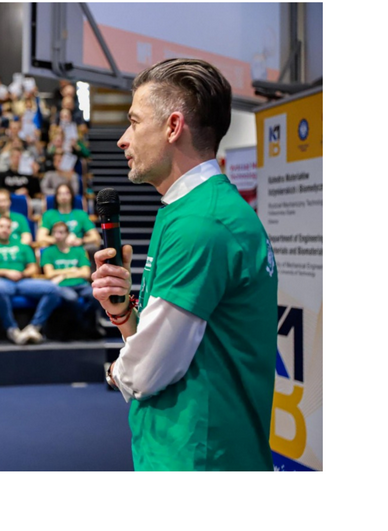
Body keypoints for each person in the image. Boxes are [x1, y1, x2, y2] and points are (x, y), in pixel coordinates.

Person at [90, 58, 278, 471]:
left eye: (134, 122)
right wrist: (123, 312)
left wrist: (112, 372)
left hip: (199, 456)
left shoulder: (200, 224)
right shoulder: (190, 209)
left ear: (173, 127)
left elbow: (145, 372)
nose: (123, 139)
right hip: (188, 447)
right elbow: (168, 342)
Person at [0, 216, 60, 345]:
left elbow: (33, 268)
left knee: (53, 289)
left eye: (8, 227)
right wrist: (5, 272)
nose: (5, 230)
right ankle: (12, 329)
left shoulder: (22, 246)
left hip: (22, 281)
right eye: (1, 226)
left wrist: (22, 273)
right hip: (0, 280)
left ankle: (34, 327)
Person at [42, 221, 100, 338]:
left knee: (96, 295)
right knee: (71, 298)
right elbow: (49, 274)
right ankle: (82, 326)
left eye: (61, 232)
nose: (57, 235)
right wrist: (72, 271)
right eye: (55, 233)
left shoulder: (78, 251)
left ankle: (85, 324)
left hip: (81, 284)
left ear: (67, 234)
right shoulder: (48, 252)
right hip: (62, 286)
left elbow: (85, 273)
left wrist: (62, 274)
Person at [37, 183, 101, 250]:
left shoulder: (81, 214)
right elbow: (40, 238)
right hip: (56, 251)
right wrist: (60, 240)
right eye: (60, 193)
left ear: (72, 195)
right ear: (56, 197)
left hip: (77, 250)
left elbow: (95, 237)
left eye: (66, 193)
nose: (63, 196)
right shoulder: (49, 215)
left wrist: (80, 241)